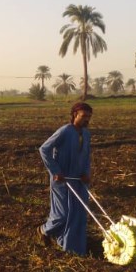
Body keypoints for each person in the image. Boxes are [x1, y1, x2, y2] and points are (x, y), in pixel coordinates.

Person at [38, 102, 93, 255]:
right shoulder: (65, 131)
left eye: (89, 117)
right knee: (62, 214)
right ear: (75, 115)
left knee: (78, 214)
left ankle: (72, 248)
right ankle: (44, 230)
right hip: (62, 179)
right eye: (84, 116)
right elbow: (44, 149)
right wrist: (55, 170)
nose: (86, 119)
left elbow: (86, 156)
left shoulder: (86, 134)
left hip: (79, 180)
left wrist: (86, 173)